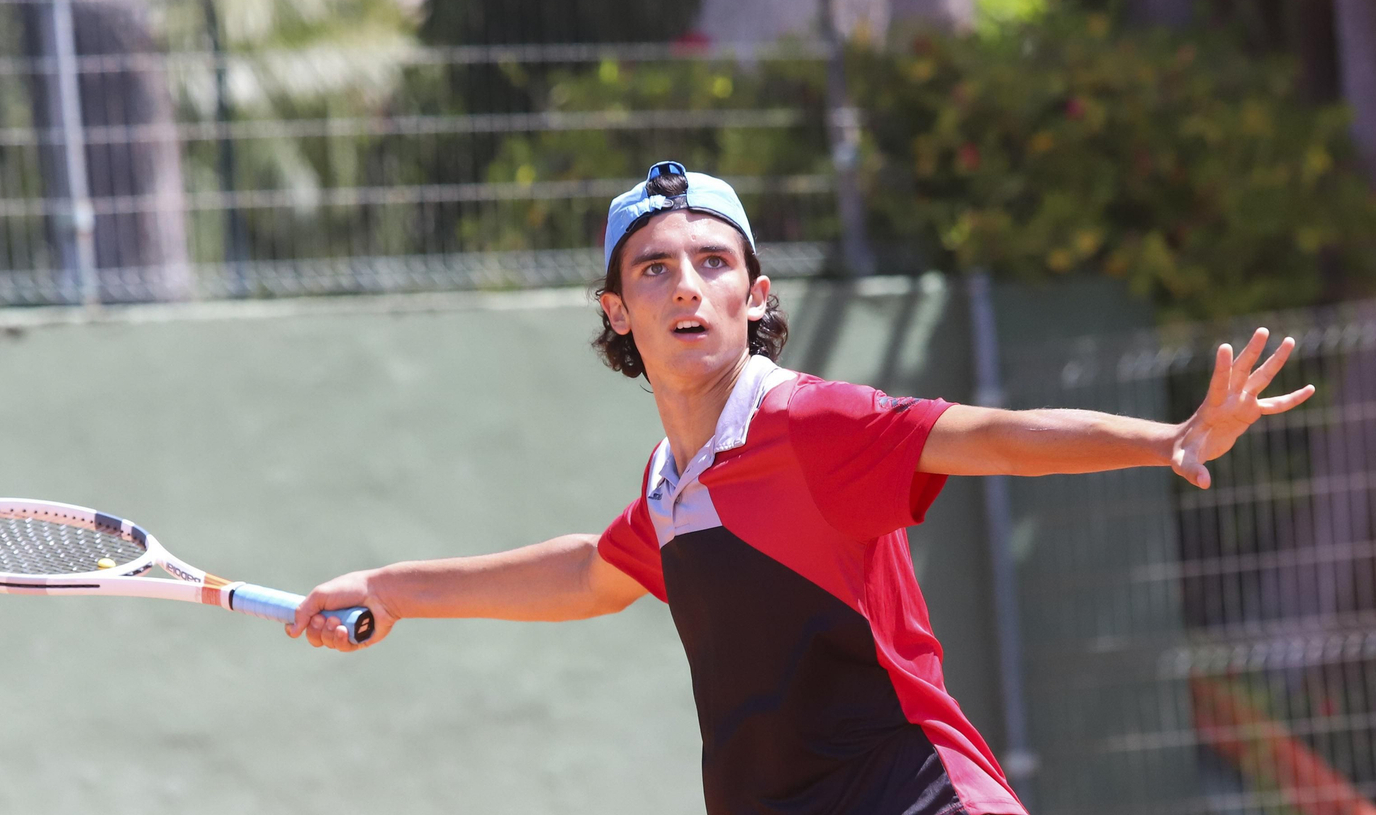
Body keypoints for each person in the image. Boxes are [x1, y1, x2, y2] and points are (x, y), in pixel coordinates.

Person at [287, 161, 1314, 815]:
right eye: (653, 269)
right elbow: (590, 575)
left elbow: (986, 437)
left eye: (711, 262)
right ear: (614, 312)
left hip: (914, 795)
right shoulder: (670, 486)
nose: (686, 283)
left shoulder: (808, 423)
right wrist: (393, 586)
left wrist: (1165, 437)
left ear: (755, 294)